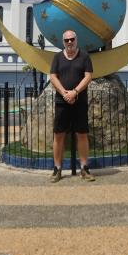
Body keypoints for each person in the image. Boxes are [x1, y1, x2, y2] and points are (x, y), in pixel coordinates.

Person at [49, 29, 94, 182]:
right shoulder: (57, 57)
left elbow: (88, 76)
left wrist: (74, 92)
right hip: (61, 102)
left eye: (72, 39)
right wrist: (64, 93)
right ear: (63, 42)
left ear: (76, 40)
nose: (69, 42)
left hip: (79, 101)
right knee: (58, 135)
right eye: (67, 40)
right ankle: (57, 169)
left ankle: (84, 168)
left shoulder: (84, 57)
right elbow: (53, 77)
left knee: (82, 134)